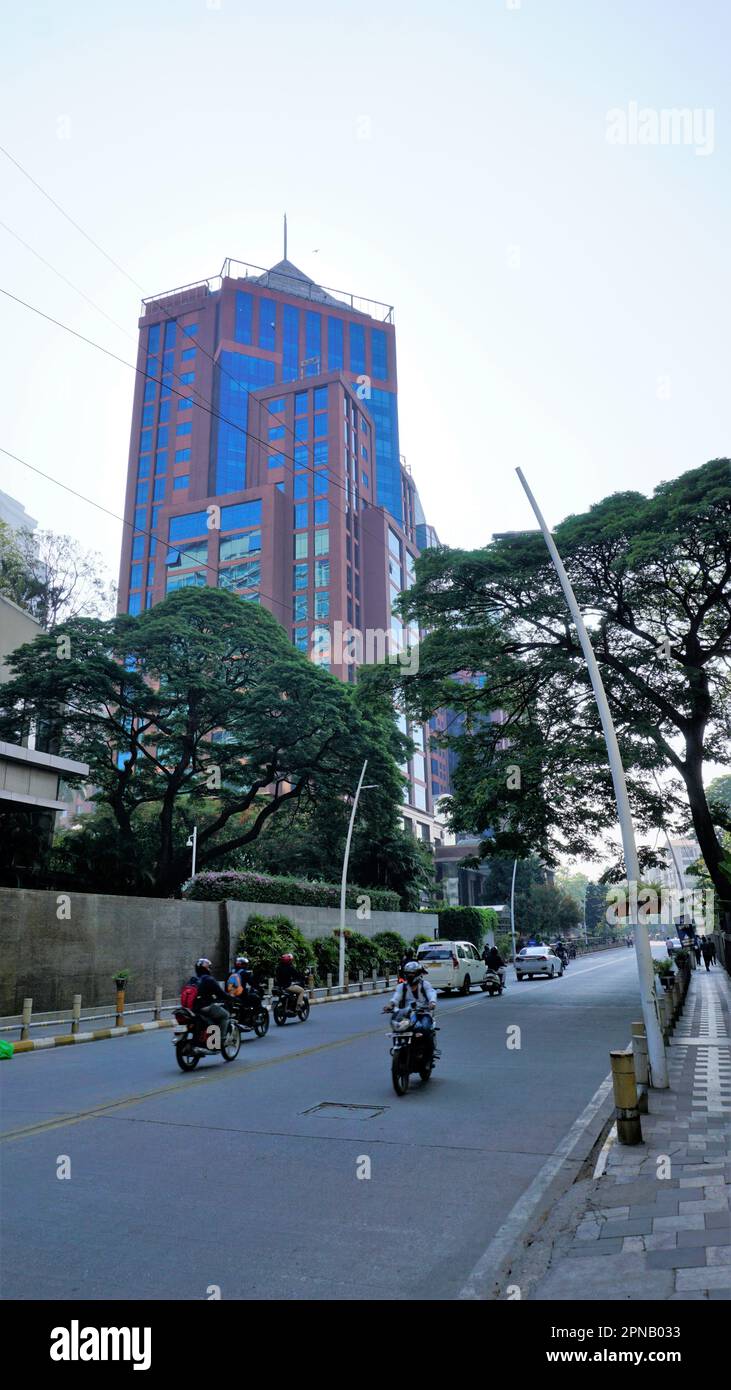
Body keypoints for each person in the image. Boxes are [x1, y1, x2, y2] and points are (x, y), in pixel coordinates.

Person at [384, 962, 438, 1055]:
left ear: (417, 974)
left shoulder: (425, 985)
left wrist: (432, 1003)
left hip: (423, 1013)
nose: (410, 975)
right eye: (408, 973)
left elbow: (431, 993)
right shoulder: (402, 987)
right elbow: (396, 998)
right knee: (397, 1028)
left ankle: (428, 1054)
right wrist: (390, 1005)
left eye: (412, 973)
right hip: (407, 1015)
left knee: (425, 1029)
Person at [189, 957, 232, 1046]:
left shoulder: (193, 979)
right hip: (205, 1007)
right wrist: (232, 998)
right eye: (209, 967)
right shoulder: (209, 979)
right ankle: (221, 1040)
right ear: (206, 969)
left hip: (193, 1008)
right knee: (225, 1015)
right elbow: (221, 994)